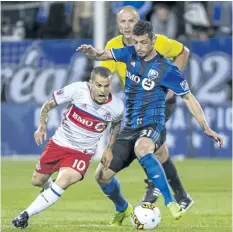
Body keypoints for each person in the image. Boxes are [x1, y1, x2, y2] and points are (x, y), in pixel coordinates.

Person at [77, 20, 223, 224]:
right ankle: (122, 208)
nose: (139, 47)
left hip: (153, 124)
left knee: (142, 148)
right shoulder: (129, 53)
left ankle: (171, 201)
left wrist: (206, 128)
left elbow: (189, 98)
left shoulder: (167, 69)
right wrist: (92, 52)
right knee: (102, 176)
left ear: (153, 40)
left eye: (144, 42)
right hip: (129, 127)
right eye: (136, 42)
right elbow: (104, 55)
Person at [100, 5, 193, 211]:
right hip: (136, 105)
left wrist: (170, 83)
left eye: (131, 21)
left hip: (160, 101)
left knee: (143, 144)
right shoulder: (114, 46)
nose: (127, 26)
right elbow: (103, 73)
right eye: (122, 22)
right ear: (117, 25)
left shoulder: (157, 41)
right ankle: (182, 196)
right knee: (159, 152)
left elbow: (183, 52)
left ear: (139, 22)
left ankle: (154, 188)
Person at [12, 67, 125, 229]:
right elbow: (49, 104)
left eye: (107, 86)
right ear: (90, 84)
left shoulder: (116, 106)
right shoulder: (78, 90)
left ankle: (24, 215)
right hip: (58, 144)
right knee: (37, 181)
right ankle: (48, 192)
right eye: (99, 85)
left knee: (64, 180)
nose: (103, 90)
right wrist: (42, 125)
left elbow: (116, 125)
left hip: (82, 153)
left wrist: (109, 148)